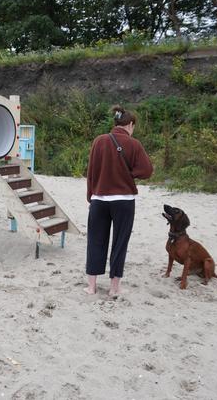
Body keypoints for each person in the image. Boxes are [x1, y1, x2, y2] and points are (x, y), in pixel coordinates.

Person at [85, 105, 153, 296]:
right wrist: (130, 174)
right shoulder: (134, 144)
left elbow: (90, 172)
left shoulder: (99, 141)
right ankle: (114, 288)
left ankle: (91, 286)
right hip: (123, 201)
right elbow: (147, 171)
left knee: (95, 241)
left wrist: (90, 195)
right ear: (130, 124)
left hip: (99, 199)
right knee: (119, 243)